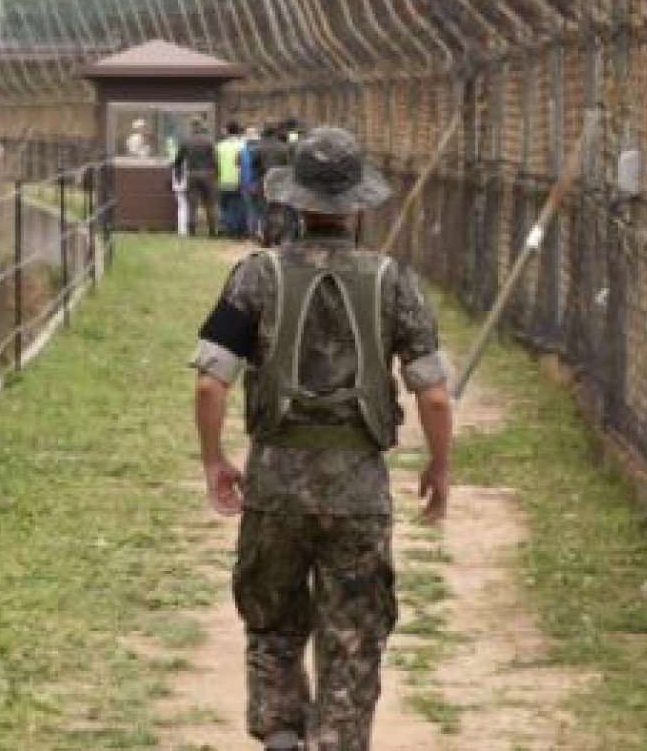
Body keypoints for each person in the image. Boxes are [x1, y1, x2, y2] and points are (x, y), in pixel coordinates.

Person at [188, 127, 454, 751]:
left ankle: (280, 734)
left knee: (274, 627)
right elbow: (433, 393)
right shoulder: (394, 281)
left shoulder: (255, 276)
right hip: (358, 488)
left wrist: (214, 461)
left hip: (275, 483)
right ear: (357, 204)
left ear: (294, 201)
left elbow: (209, 384)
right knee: (352, 639)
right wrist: (439, 466)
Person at [173, 120, 221, 237]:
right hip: (208, 175)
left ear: (192, 128)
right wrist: (217, 175)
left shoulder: (186, 141)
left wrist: (178, 176)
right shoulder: (209, 141)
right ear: (202, 127)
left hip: (192, 175)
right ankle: (212, 231)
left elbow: (178, 161)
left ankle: (192, 231)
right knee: (210, 204)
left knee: (192, 205)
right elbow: (215, 160)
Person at [253, 123, 296, 245]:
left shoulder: (258, 147)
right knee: (280, 210)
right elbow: (288, 166)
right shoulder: (284, 147)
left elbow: (254, 166)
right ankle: (279, 238)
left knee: (265, 210)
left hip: (264, 180)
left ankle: (266, 239)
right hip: (280, 181)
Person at [217, 121, 247, 238]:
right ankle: (237, 229)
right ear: (238, 130)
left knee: (225, 206)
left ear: (227, 131)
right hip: (239, 180)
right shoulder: (243, 145)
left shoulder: (219, 146)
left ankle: (227, 228)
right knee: (239, 205)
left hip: (223, 180)